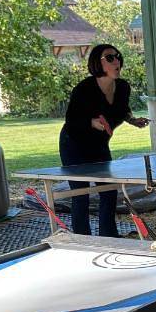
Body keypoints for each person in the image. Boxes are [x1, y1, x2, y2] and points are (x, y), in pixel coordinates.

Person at [59, 44, 149, 237]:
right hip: (74, 144)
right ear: (97, 64)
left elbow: (122, 109)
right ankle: (83, 240)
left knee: (108, 192)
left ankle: (109, 236)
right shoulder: (84, 88)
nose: (116, 61)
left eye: (117, 57)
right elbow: (72, 120)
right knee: (80, 195)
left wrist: (133, 120)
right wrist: (92, 122)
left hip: (99, 146)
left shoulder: (123, 87)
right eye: (109, 58)